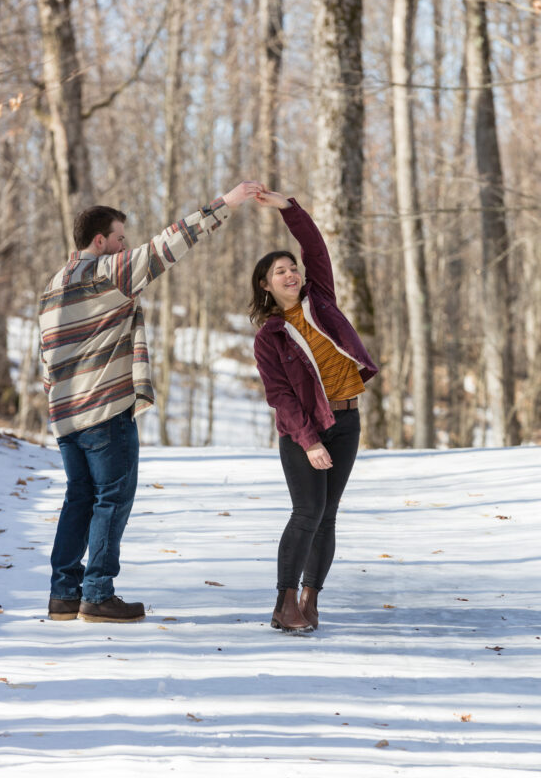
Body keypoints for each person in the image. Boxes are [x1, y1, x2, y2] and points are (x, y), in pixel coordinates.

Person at [40, 180, 263, 623]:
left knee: (78, 498)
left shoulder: (52, 285)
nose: (126, 246)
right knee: (112, 498)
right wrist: (226, 203)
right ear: (100, 240)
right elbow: (168, 244)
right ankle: (97, 594)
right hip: (104, 410)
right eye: (120, 238)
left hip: (65, 415)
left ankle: (64, 592)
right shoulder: (108, 271)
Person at [250, 190, 378, 634]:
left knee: (329, 513)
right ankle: (284, 604)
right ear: (265, 285)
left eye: (292, 268)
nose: (290, 274)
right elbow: (280, 396)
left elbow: (316, 248)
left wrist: (289, 207)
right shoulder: (271, 337)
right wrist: (309, 441)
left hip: (348, 419)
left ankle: (310, 600)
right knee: (307, 511)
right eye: (279, 271)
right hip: (302, 430)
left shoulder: (320, 298)